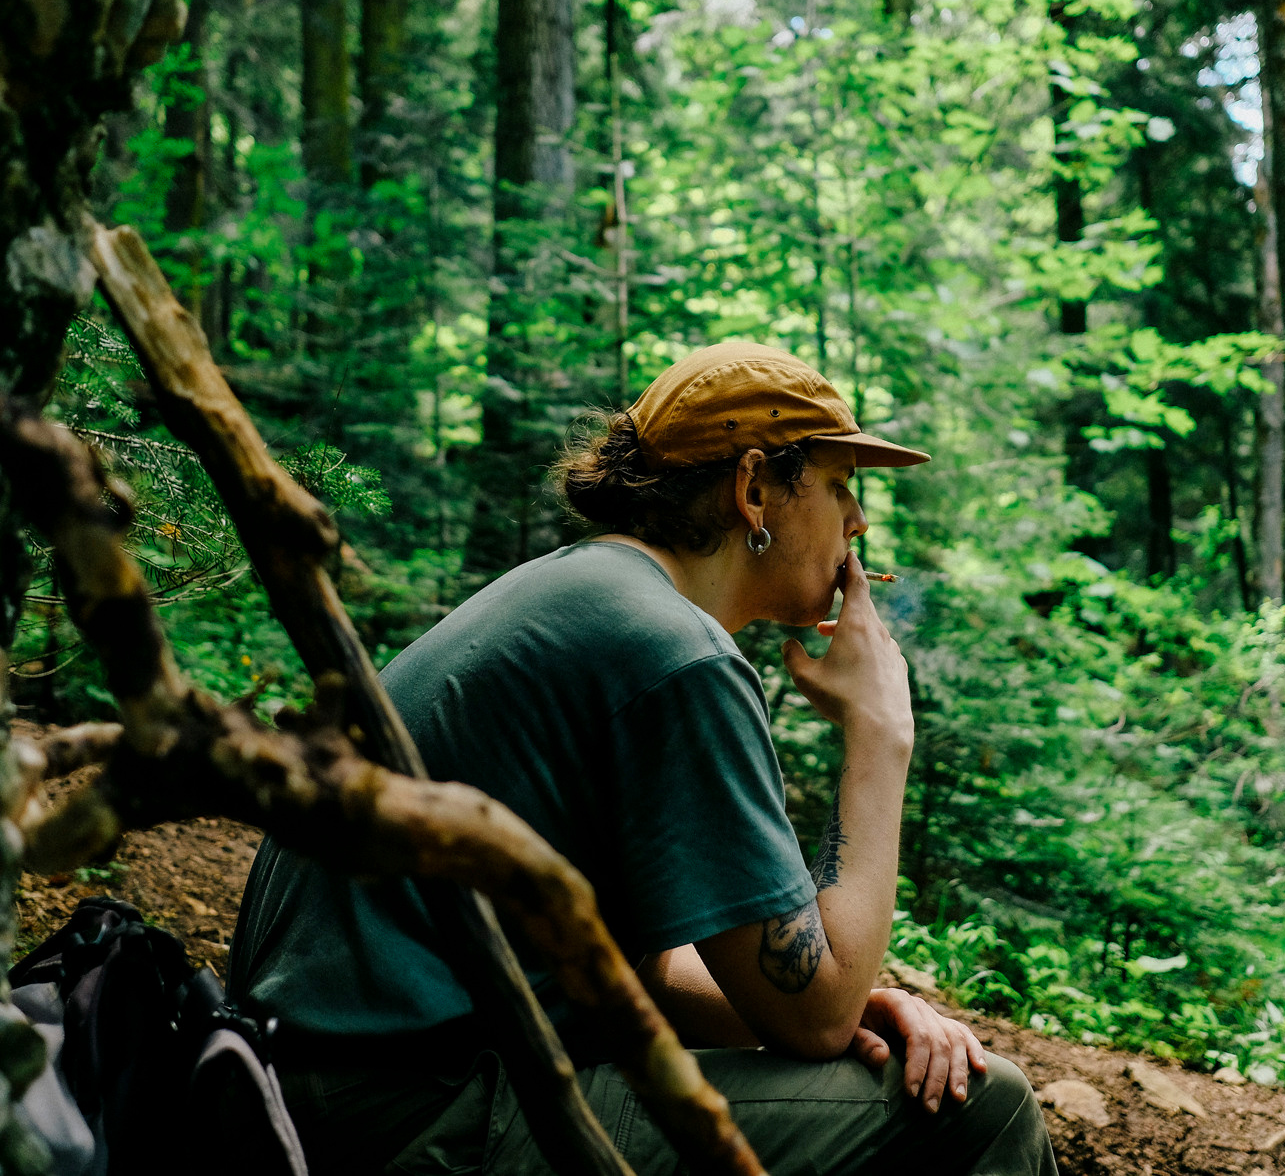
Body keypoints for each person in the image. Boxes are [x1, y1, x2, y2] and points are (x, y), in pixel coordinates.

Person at [227, 341, 1053, 1175]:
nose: (858, 522)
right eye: (840, 485)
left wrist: (845, 1005)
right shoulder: (673, 652)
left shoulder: (588, 593)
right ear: (755, 488)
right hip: (407, 1116)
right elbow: (819, 1014)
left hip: (317, 1092)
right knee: (982, 1110)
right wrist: (881, 734)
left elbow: (648, 975)